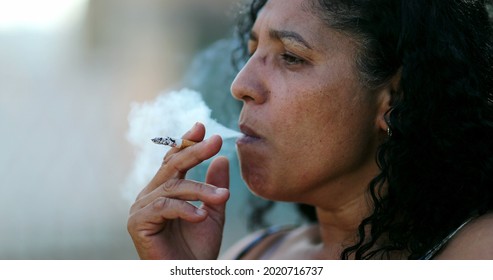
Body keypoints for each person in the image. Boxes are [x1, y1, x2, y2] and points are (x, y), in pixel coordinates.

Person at [127, 0, 493, 259]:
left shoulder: (477, 254)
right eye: (253, 51)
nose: (240, 85)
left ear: (395, 97)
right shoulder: (250, 258)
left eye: (291, 57)